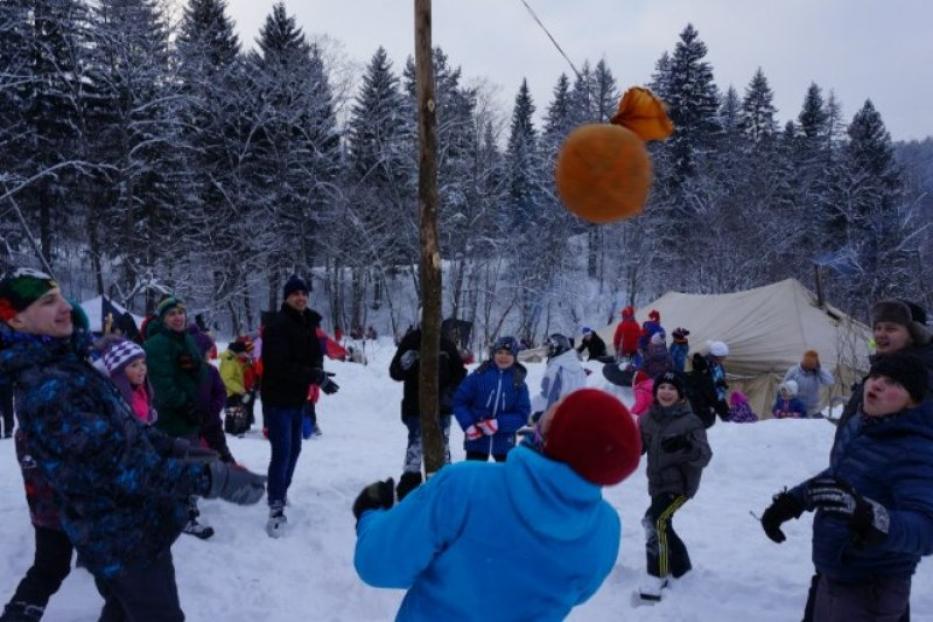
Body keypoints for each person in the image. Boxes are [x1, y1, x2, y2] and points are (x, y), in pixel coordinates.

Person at [0, 268, 265, 622]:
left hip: (136, 526)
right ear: (16, 320)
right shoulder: (49, 387)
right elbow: (116, 468)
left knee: (122, 612)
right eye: (47, 302)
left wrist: (175, 448)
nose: (65, 307)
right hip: (121, 539)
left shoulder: (68, 363)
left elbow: (124, 427)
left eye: (61, 296)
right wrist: (212, 480)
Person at [352, 388, 642, 621]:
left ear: (551, 432)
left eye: (559, 410)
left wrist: (369, 512)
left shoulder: (465, 485)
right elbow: (579, 593)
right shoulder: (606, 529)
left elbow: (378, 564)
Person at [760, 353, 933, 622]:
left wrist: (876, 519)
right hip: (835, 571)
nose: (876, 385)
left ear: (913, 401)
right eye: (875, 377)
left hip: (870, 585)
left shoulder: (916, 450)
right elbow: (842, 475)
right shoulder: (862, 425)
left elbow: (926, 526)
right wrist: (793, 501)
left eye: (892, 383)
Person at [797, 299, 933, 622]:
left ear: (913, 333)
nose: (881, 334)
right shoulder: (883, 368)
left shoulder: (921, 378)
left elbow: (915, 462)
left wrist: (878, 518)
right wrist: (796, 498)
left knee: (882, 587)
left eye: (892, 328)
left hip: (879, 527)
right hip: (851, 517)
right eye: (878, 327)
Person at [261, 275, 338, 537]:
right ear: (286, 298)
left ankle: (280, 490)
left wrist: (320, 374)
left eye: (303, 293)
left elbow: (312, 357)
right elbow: (279, 366)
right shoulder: (277, 326)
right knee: (282, 451)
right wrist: (314, 376)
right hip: (276, 399)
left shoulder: (308, 322)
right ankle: (275, 504)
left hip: (296, 398)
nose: (300, 297)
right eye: (295, 294)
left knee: (295, 449)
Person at [638, 371, 712, 601]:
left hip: (681, 485)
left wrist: (685, 445)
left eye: (672, 389)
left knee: (656, 521)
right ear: (655, 391)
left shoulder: (690, 421)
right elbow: (637, 447)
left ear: (680, 395)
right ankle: (682, 567)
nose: (666, 392)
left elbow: (705, 457)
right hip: (657, 483)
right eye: (662, 388)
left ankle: (657, 574)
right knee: (662, 523)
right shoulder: (647, 418)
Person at [144, 297, 215, 539]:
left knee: (190, 460)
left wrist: (196, 368)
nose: (178, 317)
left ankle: (184, 505)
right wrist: (185, 405)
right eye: (171, 314)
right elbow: (162, 386)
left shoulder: (185, 339)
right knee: (178, 463)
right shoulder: (157, 344)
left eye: (181, 312)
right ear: (162, 319)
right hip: (169, 417)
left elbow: (198, 371)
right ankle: (181, 515)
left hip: (189, 413)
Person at [388, 321, 467, 499]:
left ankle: (443, 485)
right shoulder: (411, 341)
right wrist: (404, 362)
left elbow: (460, 373)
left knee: (442, 444)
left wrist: (451, 392)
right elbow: (394, 372)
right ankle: (410, 486)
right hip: (415, 405)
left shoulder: (446, 343)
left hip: (443, 407)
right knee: (415, 444)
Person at [453, 336, 530, 462]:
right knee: (475, 478)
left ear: (515, 357)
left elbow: (523, 414)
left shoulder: (518, 383)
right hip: (476, 440)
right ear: (493, 353)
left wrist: (498, 424)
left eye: (508, 353)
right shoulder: (478, 376)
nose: (503, 357)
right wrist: (468, 425)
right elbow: (459, 402)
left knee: (503, 480)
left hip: (504, 444)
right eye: (499, 352)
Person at [192, 331, 235, 466]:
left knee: (222, 452)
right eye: (208, 351)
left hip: (212, 422)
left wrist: (214, 408)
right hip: (193, 423)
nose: (210, 355)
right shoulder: (186, 373)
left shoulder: (212, 371)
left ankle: (232, 474)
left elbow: (221, 393)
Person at [98, 335, 157, 426]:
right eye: (134, 365)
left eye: (143, 363)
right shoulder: (119, 402)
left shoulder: (141, 390)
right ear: (120, 374)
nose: (142, 368)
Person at [532, 333, 587, 416]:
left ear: (557, 348)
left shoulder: (554, 370)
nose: (547, 353)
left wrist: (526, 406)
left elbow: (545, 399)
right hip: (576, 414)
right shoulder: (579, 368)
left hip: (557, 417)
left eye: (549, 349)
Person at [783, 350, 834, 417]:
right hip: (796, 409)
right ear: (804, 363)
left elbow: (830, 381)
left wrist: (819, 369)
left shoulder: (818, 372)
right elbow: (784, 388)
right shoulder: (793, 371)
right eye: (809, 366)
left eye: (812, 365)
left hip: (813, 409)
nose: (810, 369)